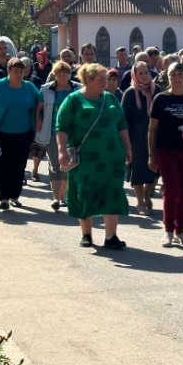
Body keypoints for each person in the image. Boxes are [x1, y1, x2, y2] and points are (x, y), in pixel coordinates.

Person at [57, 63, 132, 249]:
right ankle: (86, 234)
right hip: (86, 159)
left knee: (112, 192)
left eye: (105, 79)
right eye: (100, 79)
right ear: (88, 80)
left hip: (112, 157)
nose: (105, 82)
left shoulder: (111, 99)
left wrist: (128, 149)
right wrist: (60, 150)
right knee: (85, 192)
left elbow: (122, 125)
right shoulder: (73, 100)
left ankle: (111, 236)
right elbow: (62, 127)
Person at [0, 58, 43, 211]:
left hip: (24, 133)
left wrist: (40, 119)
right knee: (2, 166)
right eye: (15, 71)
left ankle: (15, 195)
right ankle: (3, 198)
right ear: (9, 71)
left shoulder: (29, 87)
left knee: (19, 166)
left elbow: (41, 101)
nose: (19, 74)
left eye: (21, 71)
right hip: (1, 133)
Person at [148, 62, 183, 247]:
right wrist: (151, 155)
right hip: (165, 150)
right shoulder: (160, 99)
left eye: (180, 74)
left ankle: (180, 231)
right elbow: (152, 129)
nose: (177, 78)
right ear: (167, 77)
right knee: (171, 190)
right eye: (173, 75)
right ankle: (168, 230)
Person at [36, 60, 80, 210]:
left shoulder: (77, 89)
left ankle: (62, 195)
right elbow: (39, 109)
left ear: (69, 74)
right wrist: (38, 122)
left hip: (73, 133)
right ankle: (56, 198)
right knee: (55, 165)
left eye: (65, 74)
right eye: (59, 74)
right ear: (54, 75)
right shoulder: (46, 90)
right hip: (52, 132)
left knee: (69, 165)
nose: (62, 77)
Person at [122, 61, 159, 215]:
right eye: (141, 73)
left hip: (155, 136)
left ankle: (146, 193)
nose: (144, 76)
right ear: (135, 75)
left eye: (146, 72)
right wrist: (126, 141)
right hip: (136, 138)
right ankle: (140, 202)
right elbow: (123, 118)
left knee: (155, 171)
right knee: (138, 169)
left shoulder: (156, 90)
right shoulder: (130, 93)